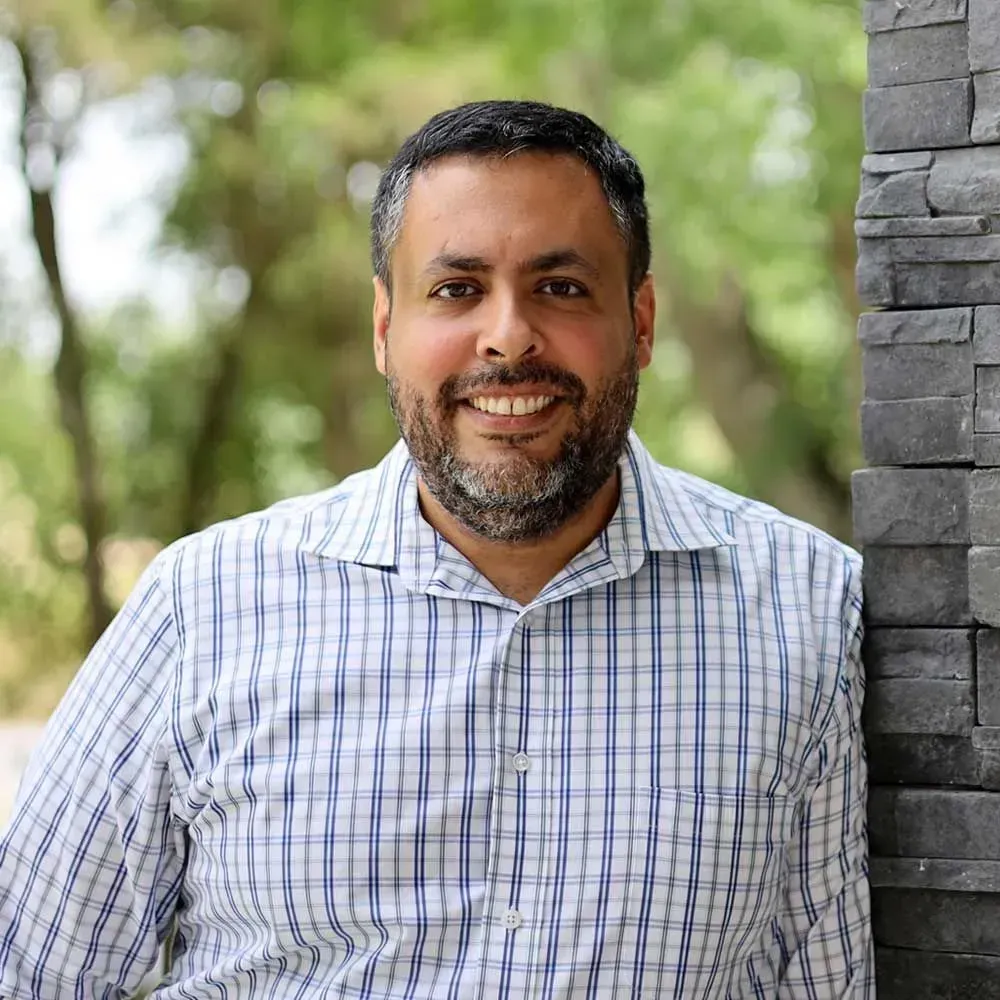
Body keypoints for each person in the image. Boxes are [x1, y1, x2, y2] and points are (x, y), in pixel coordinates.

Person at [0, 100, 872, 999]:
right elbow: (31, 970)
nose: (508, 335)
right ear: (385, 329)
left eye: (562, 287)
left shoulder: (806, 609)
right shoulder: (203, 606)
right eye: (456, 289)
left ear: (641, 321)